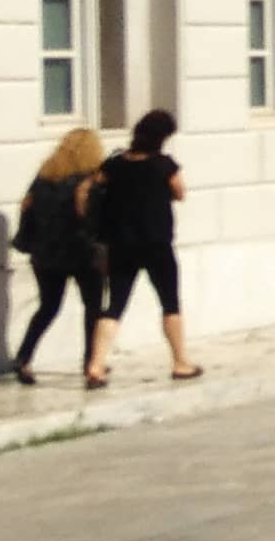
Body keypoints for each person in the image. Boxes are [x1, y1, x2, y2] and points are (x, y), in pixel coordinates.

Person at [84, 111, 202, 388]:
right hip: (157, 244)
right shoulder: (164, 165)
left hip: (121, 245)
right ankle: (180, 362)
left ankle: (96, 365)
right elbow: (180, 192)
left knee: (114, 305)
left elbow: (87, 189)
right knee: (170, 302)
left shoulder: (113, 165)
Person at [10, 126, 106, 385]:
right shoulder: (91, 180)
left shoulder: (43, 177)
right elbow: (96, 217)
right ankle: (91, 364)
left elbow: (27, 211)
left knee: (48, 307)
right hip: (83, 253)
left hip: (45, 255)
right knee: (94, 309)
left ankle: (23, 356)